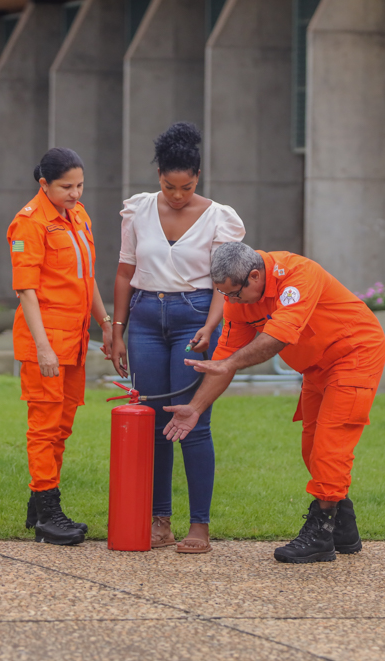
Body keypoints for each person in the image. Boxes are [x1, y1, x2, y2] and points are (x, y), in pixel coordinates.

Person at [162, 242, 385, 564]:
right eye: (223, 295)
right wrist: (195, 408)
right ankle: (343, 527)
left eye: (234, 294)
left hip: (355, 353)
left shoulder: (298, 275)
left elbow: (276, 338)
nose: (229, 302)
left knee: (330, 444)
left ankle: (321, 532)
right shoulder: (238, 300)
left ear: (254, 277)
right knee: (311, 446)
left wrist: (231, 364)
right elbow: (223, 361)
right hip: (316, 365)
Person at [109, 122, 245, 554]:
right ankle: (160, 521)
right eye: (169, 187)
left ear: (197, 179)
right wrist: (117, 330)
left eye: (185, 187)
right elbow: (126, 272)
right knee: (152, 423)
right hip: (146, 318)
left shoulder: (220, 217)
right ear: (159, 178)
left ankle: (199, 527)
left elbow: (227, 281)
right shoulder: (138, 210)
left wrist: (211, 325)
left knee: (191, 421)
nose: (177, 196)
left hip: (195, 319)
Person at [8, 147, 113, 546]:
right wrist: (43, 348)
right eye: (66, 186)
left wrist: (105, 323)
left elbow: (87, 278)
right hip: (47, 342)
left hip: (75, 338)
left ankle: (40, 506)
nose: (74, 193)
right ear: (44, 185)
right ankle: (49, 512)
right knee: (45, 426)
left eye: (79, 185)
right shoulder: (29, 224)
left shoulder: (78, 216)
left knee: (63, 426)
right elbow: (26, 291)